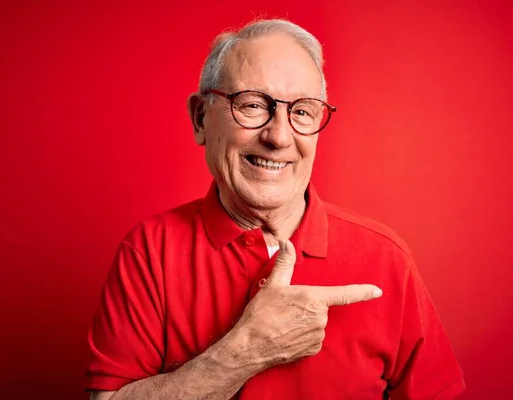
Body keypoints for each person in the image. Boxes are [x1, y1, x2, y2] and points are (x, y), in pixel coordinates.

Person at [85, 18, 465, 400]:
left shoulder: (386, 259)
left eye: (301, 112)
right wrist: (245, 352)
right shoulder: (149, 252)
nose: (279, 137)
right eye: (251, 105)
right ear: (201, 118)